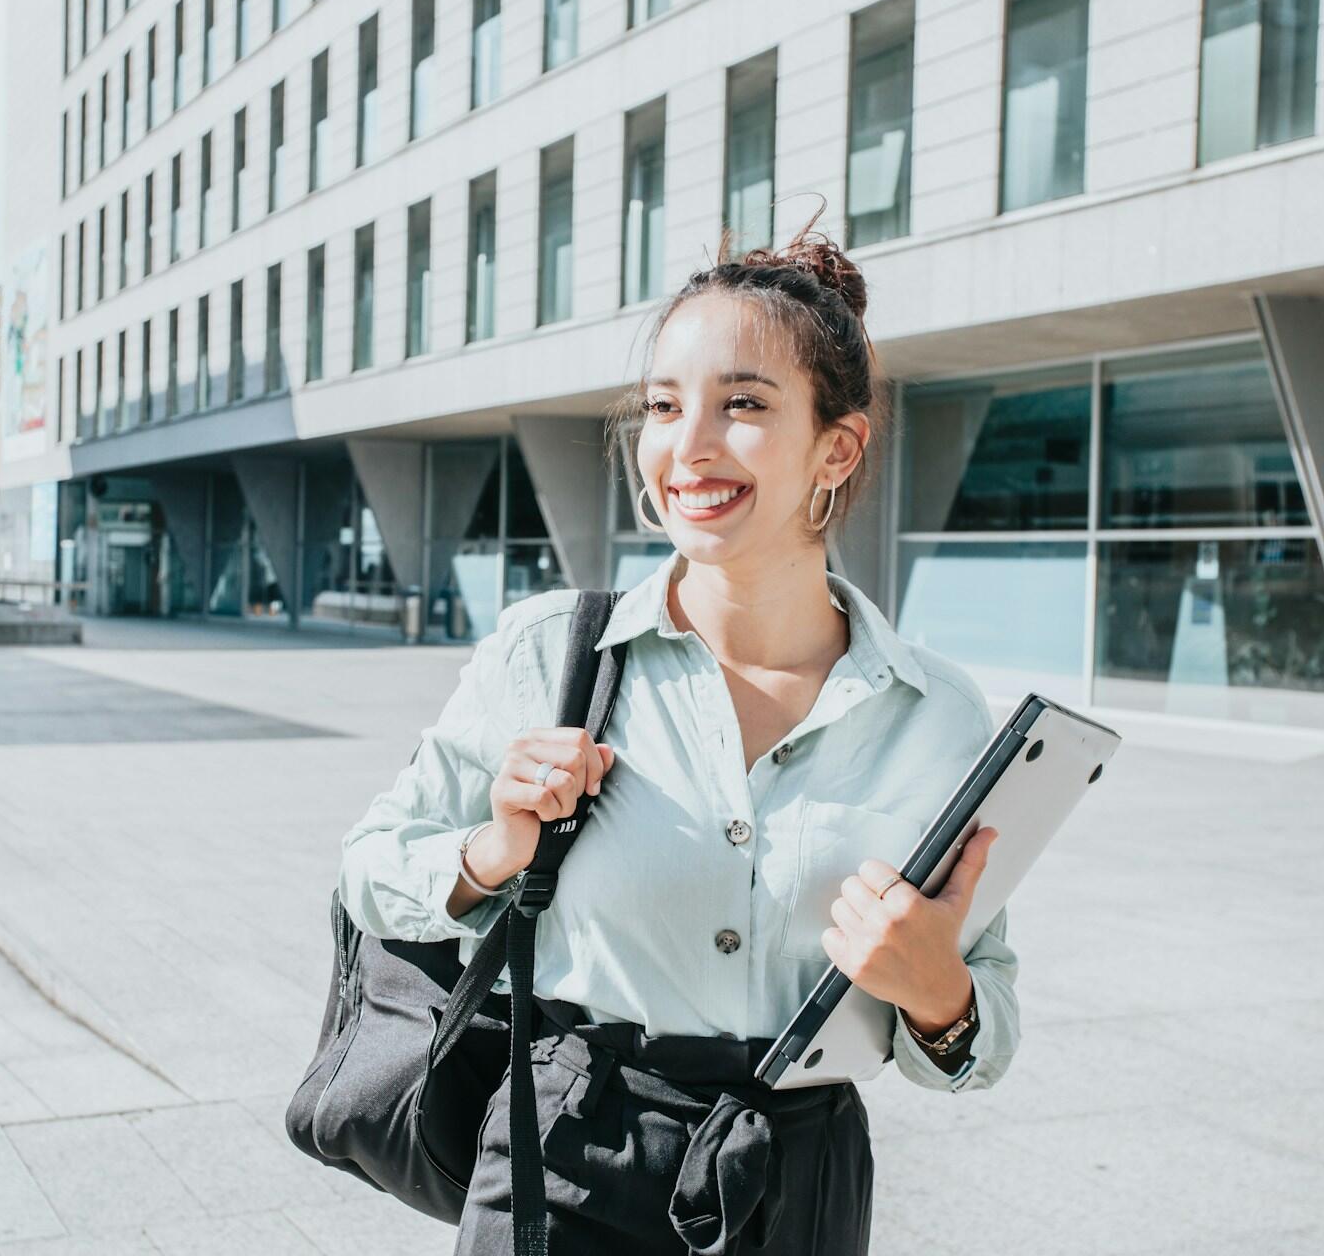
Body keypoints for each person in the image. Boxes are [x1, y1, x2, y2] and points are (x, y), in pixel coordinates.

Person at [338, 206, 1019, 1255]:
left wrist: (941, 995)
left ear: (837, 447)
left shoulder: (935, 715)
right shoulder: (549, 654)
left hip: (803, 1178)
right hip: (567, 1161)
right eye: (663, 405)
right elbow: (370, 867)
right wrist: (496, 848)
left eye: (741, 403)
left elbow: (985, 1028)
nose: (687, 446)